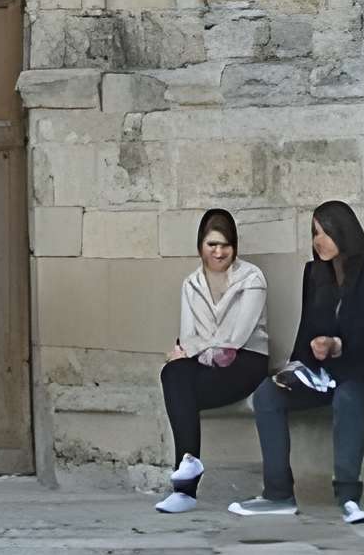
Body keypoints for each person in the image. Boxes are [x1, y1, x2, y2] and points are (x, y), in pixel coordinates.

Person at [230, 200, 364, 527]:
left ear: (345, 232)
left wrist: (338, 346)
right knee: (268, 394)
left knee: (348, 396)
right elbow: (307, 331)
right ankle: (278, 494)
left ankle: (349, 496)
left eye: (325, 232)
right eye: (314, 233)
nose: (318, 241)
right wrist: (298, 366)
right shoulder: (315, 273)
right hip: (326, 372)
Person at [154, 208, 269, 515]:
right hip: (206, 363)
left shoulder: (252, 278)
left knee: (182, 378)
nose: (219, 252)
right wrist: (188, 350)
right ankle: (187, 475)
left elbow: (237, 336)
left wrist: (190, 349)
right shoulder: (191, 284)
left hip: (247, 361)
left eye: (225, 245)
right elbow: (187, 334)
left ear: (234, 246)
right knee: (173, 373)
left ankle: (185, 484)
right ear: (200, 246)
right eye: (212, 245)